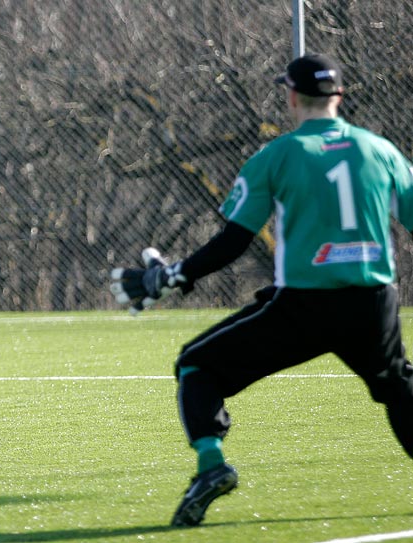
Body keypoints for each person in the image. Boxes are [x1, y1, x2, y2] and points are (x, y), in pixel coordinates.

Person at [110, 53, 413, 527]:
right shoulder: (381, 150)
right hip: (374, 302)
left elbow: (234, 240)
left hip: (305, 305)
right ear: (339, 96)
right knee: (398, 389)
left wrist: (175, 275)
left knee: (197, 364)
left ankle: (212, 466)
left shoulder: (276, 156)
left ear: (292, 97)